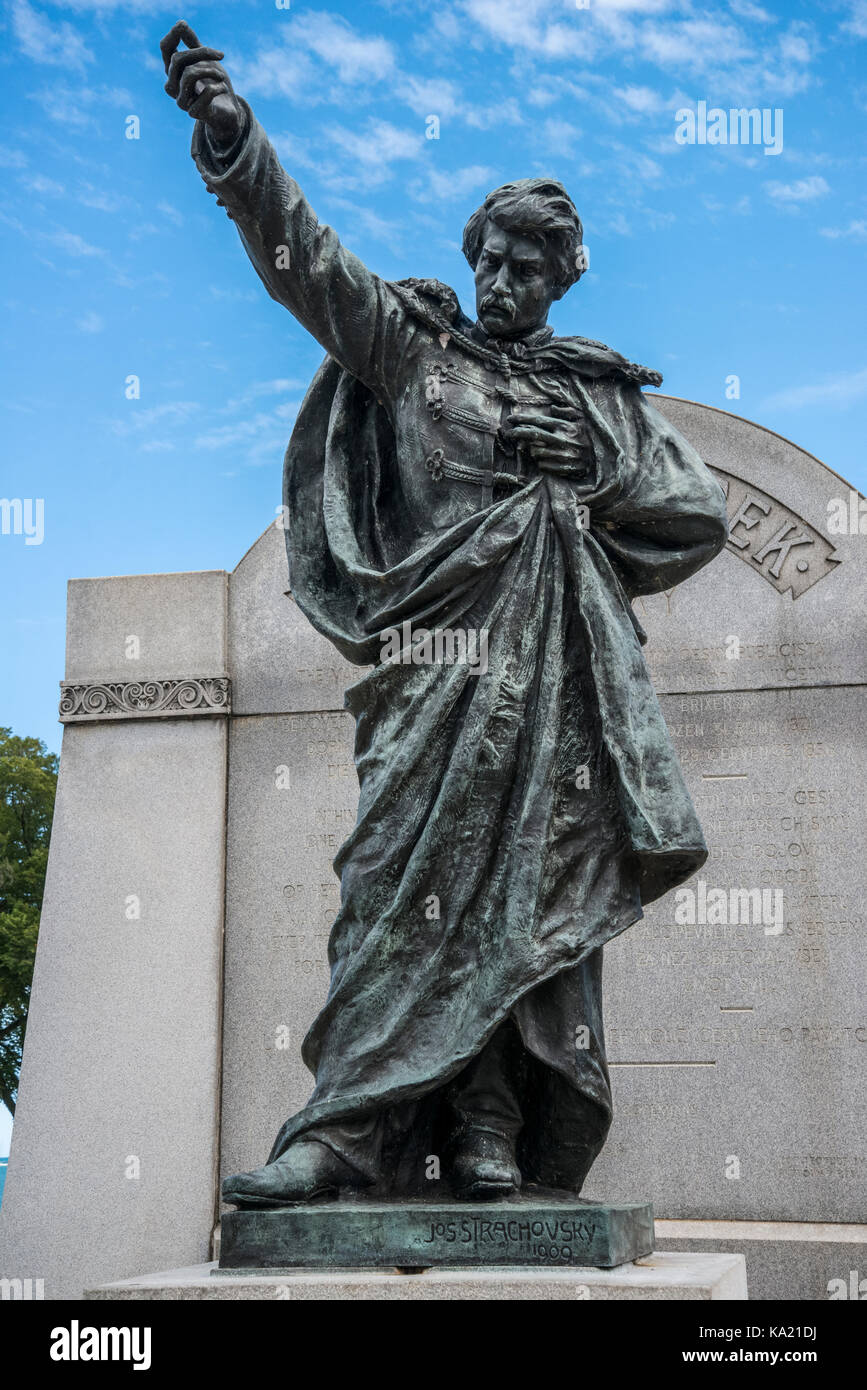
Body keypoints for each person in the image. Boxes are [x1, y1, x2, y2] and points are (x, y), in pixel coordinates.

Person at [162, 22, 729, 1207]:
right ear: (471, 255)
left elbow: (696, 516)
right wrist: (236, 145)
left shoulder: (596, 395)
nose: (506, 278)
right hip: (426, 672)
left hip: (554, 703)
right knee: (387, 889)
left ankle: (489, 1130)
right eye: (494, 256)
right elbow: (305, 265)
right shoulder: (412, 349)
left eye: (532, 264)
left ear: (566, 273)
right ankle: (343, 1134)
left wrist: (596, 471)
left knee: (529, 906)